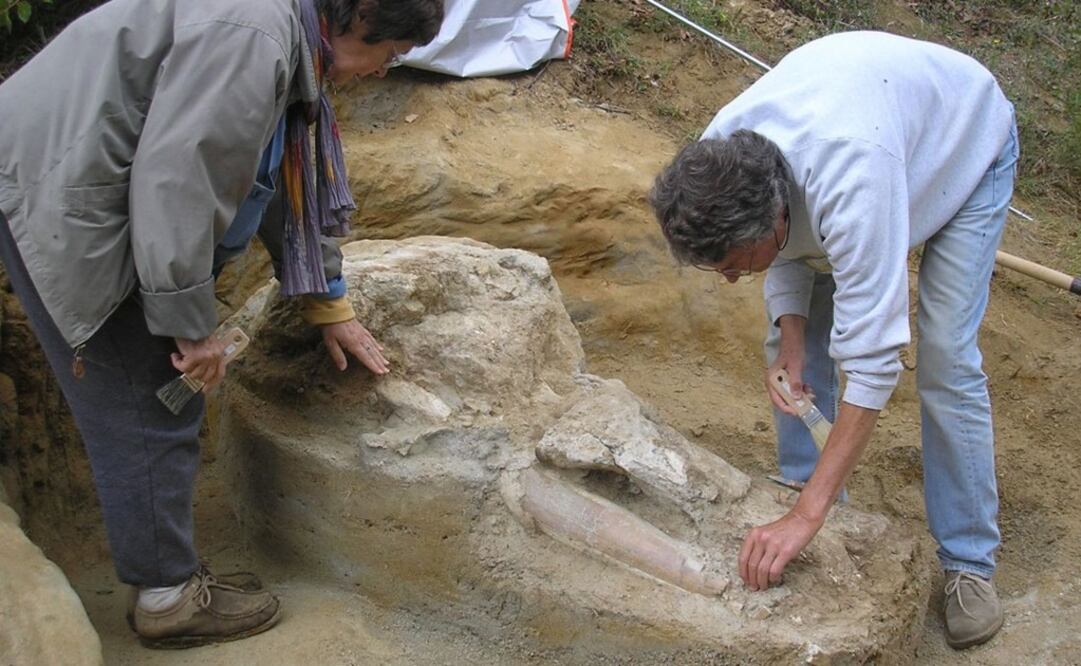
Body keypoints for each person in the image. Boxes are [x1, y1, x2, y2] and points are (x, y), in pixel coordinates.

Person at [0, 0, 443, 648]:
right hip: (61, 194)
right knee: (151, 394)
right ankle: (167, 599)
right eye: (393, 53)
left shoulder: (284, 39)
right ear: (365, 14)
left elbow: (275, 181)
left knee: (155, 388)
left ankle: (168, 576)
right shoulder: (253, 39)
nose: (383, 71)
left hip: (78, 178)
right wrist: (188, 327)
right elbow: (179, 183)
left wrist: (330, 305)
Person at [648, 31, 1017, 650]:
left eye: (735, 263)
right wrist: (792, 338)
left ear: (773, 220)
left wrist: (804, 519)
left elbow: (873, 362)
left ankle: (968, 563)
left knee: (946, 356)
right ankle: (809, 487)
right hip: (867, 130)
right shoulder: (722, 158)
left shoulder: (852, 180)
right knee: (785, 354)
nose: (734, 278)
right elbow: (789, 246)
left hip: (964, 146)